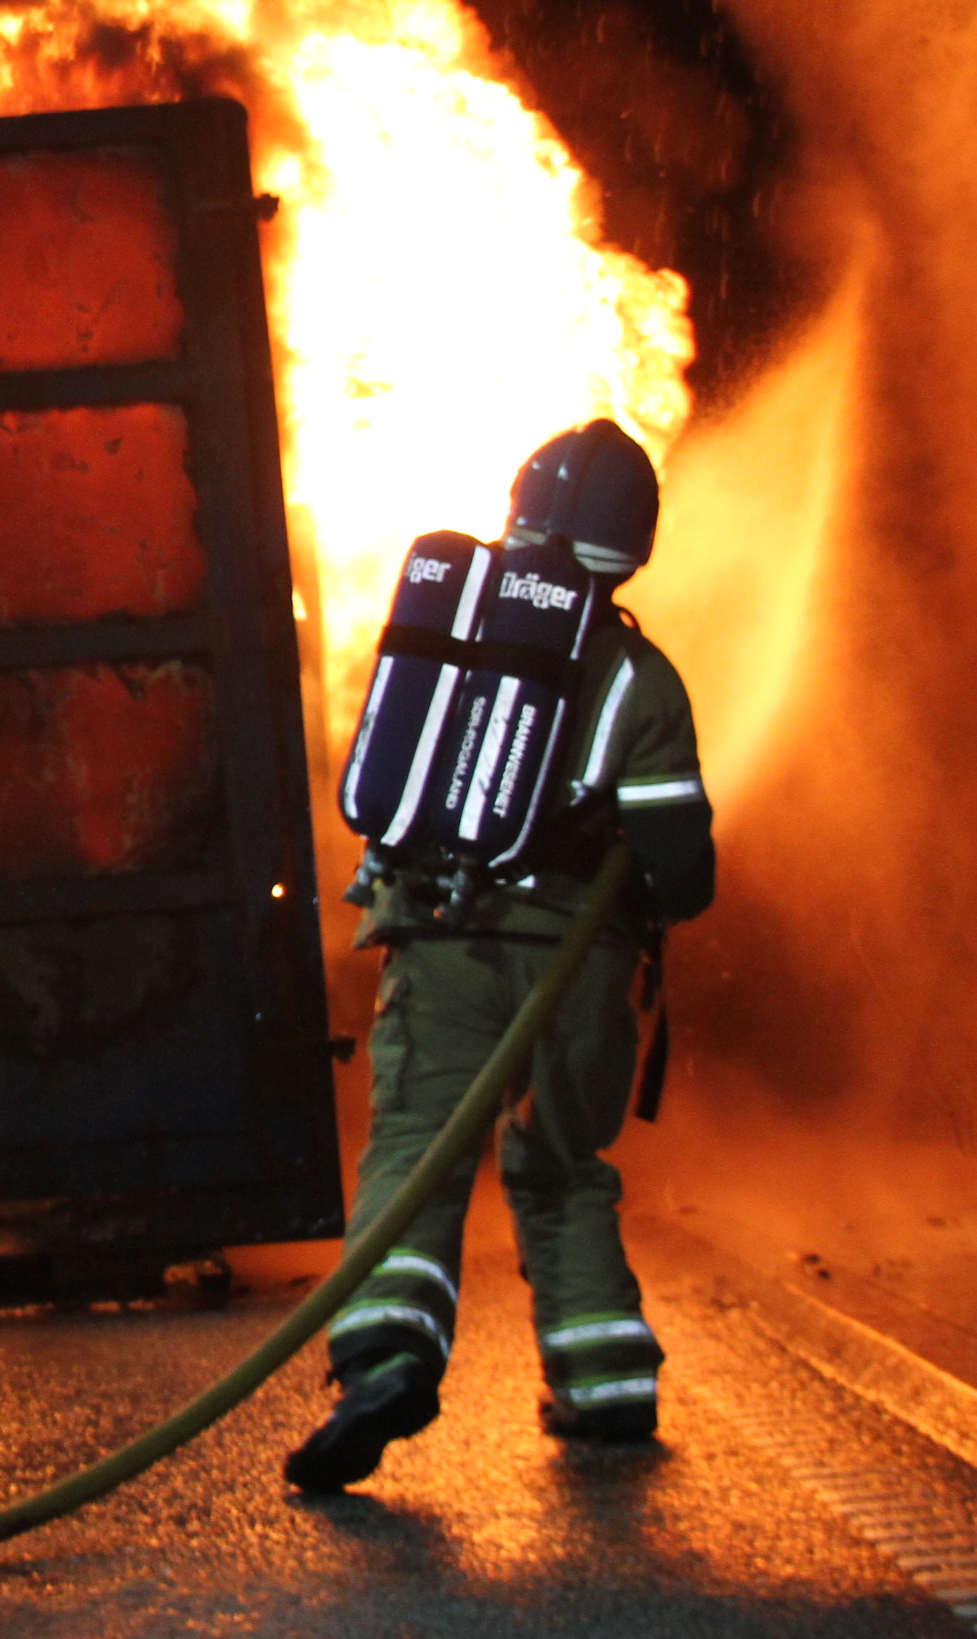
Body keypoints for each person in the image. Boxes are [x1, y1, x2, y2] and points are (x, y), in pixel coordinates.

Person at [286, 419, 718, 1494]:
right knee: (563, 1165)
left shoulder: (449, 631)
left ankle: (386, 1359)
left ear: (524, 508)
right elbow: (684, 870)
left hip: (439, 945)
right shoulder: (643, 679)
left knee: (418, 1148)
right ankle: (607, 1387)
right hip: (576, 971)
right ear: (636, 540)